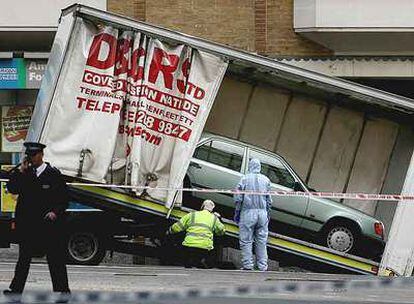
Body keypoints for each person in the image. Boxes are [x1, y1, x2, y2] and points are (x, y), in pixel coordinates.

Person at [3, 142, 70, 299]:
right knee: (23, 259)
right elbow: (12, 188)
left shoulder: (53, 174)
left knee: (55, 259)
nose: (31, 158)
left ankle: (62, 291)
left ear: (41, 155)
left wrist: (55, 212)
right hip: (28, 224)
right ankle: (16, 290)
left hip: (48, 224)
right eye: (29, 156)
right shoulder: (25, 173)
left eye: (33, 155)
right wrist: (20, 171)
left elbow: (64, 199)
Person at [234, 158, 272, 271]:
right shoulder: (266, 180)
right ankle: (262, 266)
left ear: (250, 166)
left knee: (246, 240)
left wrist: (237, 212)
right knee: (261, 241)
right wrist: (268, 214)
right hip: (262, 214)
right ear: (259, 167)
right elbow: (269, 201)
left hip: (248, 212)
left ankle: (247, 265)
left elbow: (238, 197)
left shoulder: (244, 179)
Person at [167, 200, 225, 268]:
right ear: (212, 210)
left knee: (187, 254)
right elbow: (221, 231)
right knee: (203, 255)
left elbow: (177, 227)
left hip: (189, 246)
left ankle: (189, 262)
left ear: (202, 206)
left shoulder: (192, 214)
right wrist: (219, 219)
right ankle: (200, 262)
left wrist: (169, 231)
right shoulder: (214, 218)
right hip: (204, 248)